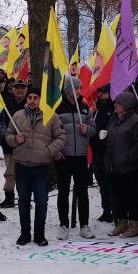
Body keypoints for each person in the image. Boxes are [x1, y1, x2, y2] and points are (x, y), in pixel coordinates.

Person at [8, 86, 65, 246]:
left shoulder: (51, 116)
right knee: (23, 201)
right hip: (22, 165)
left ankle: (40, 235)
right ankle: (25, 234)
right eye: (30, 97)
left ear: (40, 99)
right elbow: (8, 135)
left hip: (41, 167)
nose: (32, 101)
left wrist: (49, 151)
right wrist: (15, 139)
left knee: (41, 201)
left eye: (36, 98)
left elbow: (61, 137)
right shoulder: (17, 115)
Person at [54, 78, 94, 238]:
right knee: (63, 192)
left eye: (80, 88)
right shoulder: (58, 107)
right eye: (76, 88)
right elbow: (51, 131)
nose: (79, 91)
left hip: (81, 156)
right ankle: (63, 225)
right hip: (64, 157)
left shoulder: (84, 107)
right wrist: (56, 150)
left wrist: (88, 129)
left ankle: (84, 225)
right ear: (67, 90)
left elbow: (94, 129)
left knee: (83, 192)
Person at [104, 91, 138, 237]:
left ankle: (134, 225)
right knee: (118, 196)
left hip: (129, 168)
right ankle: (122, 223)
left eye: (119, 103)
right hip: (113, 166)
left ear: (126, 105)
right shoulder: (114, 119)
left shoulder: (135, 120)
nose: (115, 105)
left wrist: (127, 157)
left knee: (131, 197)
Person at [0, 78, 28, 207]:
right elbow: (1, 122)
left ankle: (25, 198)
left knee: (25, 173)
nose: (20, 90)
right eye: (17, 88)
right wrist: (5, 135)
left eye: (23, 88)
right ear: (13, 89)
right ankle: (9, 197)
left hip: (27, 145)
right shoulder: (6, 104)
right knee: (10, 172)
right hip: (9, 144)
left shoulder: (30, 103)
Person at [90, 84, 115, 224]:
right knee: (102, 184)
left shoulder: (113, 109)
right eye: (100, 92)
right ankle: (106, 210)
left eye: (104, 92)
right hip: (96, 152)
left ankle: (113, 211)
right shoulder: (98, 109)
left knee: (109, 184)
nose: (101, 95)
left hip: (107, 153)